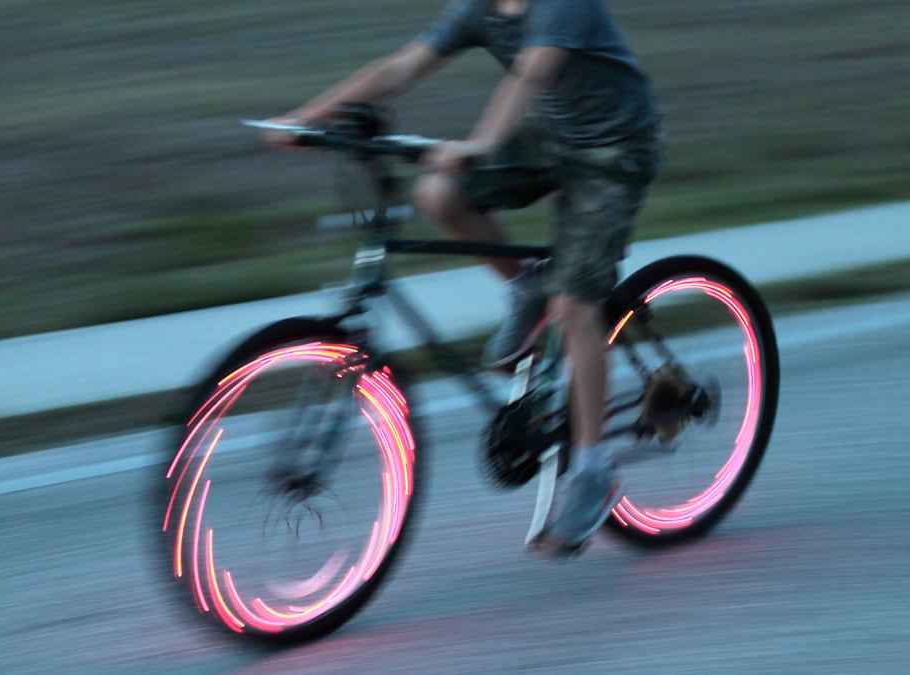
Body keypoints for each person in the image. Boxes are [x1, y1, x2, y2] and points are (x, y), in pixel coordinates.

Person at [265, 0, 664, 556]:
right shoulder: (480, 7)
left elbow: (532, 73)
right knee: (438, 193)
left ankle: (595, 472)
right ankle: (526, 289)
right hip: (554, 136)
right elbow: (403, 66)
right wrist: (308, 118)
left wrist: (480, 144)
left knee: (576, 305)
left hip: (616, 151)